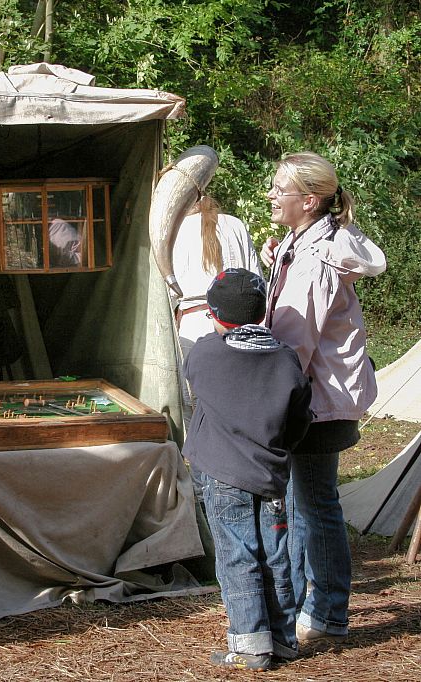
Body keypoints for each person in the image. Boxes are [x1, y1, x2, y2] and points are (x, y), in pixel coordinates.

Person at [260, 152, 386, 644]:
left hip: (315, 401)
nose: (271, 195)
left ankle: (328, 614)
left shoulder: (315, 259)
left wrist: (265, 398)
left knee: (314, 508)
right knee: (305, 504)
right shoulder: (306, 244)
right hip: (317, 398)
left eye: (279, 189)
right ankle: (304, 609)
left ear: (309, 201)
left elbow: (294, 345)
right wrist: (279, 259)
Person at [184, 268, 313, 672]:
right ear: (261, 311)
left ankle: (250, 644)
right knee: (276, 557)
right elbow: (300, 418)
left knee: (238, 557)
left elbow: (198, 383)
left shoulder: (206, 354)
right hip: (272, 475)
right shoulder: (285, 357)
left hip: (224, 476)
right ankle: (283, 639)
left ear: (215, 313)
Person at [173, 195, 262, 358]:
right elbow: (256, 285)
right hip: (238, 326)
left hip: (192, 328)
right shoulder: (234, 224)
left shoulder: (174, 231)